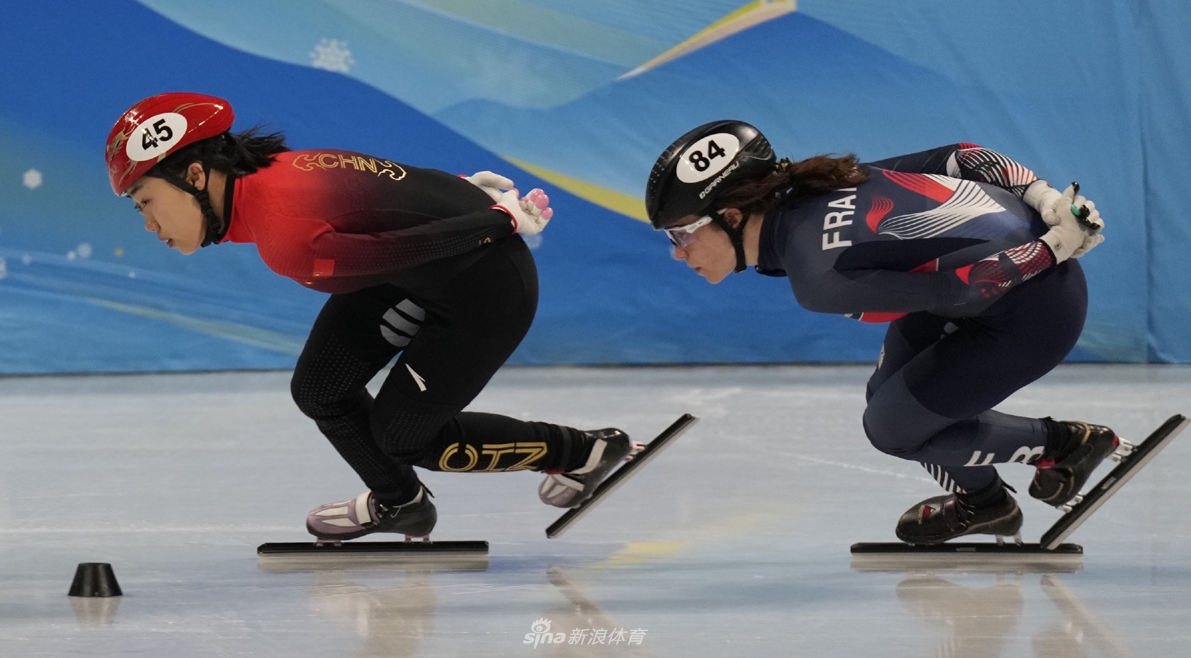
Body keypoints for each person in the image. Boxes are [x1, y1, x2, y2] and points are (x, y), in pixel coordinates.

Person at [105, 91, 631, 542]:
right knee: (319, 389)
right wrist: (464, 190)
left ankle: (583, 451)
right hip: (426, 269)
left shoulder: (286, 237)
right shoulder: (273, 176)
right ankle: (400, 502)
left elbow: (397, 250)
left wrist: (492, 220)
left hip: (485, 287)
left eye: (146, 201)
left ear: (196, 174)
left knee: (403, 435)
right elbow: (389, 190)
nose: (148, 223)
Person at [645, 119, 1110, 544]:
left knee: (892, 429)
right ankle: (985, 504)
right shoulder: (822, 187)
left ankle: (1069, 445)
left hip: (1034, 313)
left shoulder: (817, 278)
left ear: (730, 216)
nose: (678, 253)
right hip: (1004, 286)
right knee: (887, 396)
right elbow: (963, 155)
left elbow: (957, 289)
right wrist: (1047, 200)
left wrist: (1051, 250)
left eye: (680, 234)